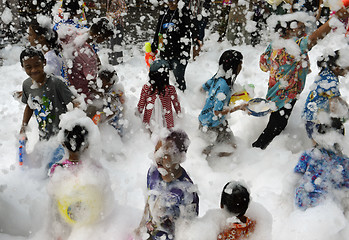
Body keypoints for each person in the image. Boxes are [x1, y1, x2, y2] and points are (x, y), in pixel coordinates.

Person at [252, 7, 349, 150]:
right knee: (275, 126)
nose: (303, 30)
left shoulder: (275, 44)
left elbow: (263, 65)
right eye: (300, 27)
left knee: (277, 123)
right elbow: (314, 38)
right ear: (288, 29)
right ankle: (257, 149)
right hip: (285, 96)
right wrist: (333, 21)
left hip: (275, 92)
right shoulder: (292, 46)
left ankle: (267, 147)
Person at [135, 130, 199, 240]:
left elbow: (188, 229)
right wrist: (141, 227)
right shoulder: (153, 172)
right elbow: (149, 200)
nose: (158, 157)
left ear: (179, 157)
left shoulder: (186, 190)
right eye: (156, 150)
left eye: (165, 154)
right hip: (150, 232)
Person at [19, 47, 77, 141]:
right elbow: (29, 106)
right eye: (28, 67)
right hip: (43, 136)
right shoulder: (26, 85)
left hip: (62, 136)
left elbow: (75, 102)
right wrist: (24, 126)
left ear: (44, 62)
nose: (33, 70)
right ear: (23, 67)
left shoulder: (56, 83)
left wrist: (74, 125)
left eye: (37, 65)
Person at [198, 50, 245, 157]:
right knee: (208, 152)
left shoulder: (217, 76)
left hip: (208, 120)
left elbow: (202, 89)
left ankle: (219, 163)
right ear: (234, 66)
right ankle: (214, 168)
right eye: (240, 64)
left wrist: (209, 102)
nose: (241, 67)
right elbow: (217, 111)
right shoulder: (224, 87)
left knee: (231, 147)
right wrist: (239, 107)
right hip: (211, 126)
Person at [294, 123, 349, 210]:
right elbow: (346, 185)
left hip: (304, 201)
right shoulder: (344, 162)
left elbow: (296, 175)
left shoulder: (308, 154)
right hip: (329, 204)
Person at [150, 0, 201, 91]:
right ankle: (167, 97)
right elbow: (158, 29)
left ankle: (182, 98)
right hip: (165, 51)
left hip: (180, 53)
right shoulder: (164, 11)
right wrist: (154, 46)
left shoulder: (184, 12)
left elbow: (193, 27)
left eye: (173, 0)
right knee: (164, 77)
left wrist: (196, 41)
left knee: (179, 79)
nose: (171, 3)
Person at [302, 49, 349, 144]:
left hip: (310, 119)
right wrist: (338, 122)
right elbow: (334, 107)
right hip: (318, 122)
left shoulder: (326, 73)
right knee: (330, 143)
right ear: (337, 68)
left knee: (319, 148)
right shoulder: (331, 81)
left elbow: (334, 97)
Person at [137, 60, 181, 133]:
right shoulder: (170, 89)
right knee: (166, 136)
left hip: (150, 122)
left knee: (152, 137)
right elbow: (176, 105)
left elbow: (141, 105)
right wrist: (179, 114)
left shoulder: (147, 88)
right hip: (167, 122)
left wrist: (138, 113)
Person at [87, 68, 125, 136]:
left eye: (102, 82)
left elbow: (114, 112)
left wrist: (103, 120)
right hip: (109, 112)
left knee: (116, 134)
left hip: (115, 121)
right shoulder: (105, 88)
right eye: (99, 80)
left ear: (110, 83)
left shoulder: (112, 93)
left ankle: (119, 138)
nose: (100, 83)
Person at [28, 19, 68, 83]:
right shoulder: (49, 54)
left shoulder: (50, 59)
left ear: (41, 38)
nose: (28, 38)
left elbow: (50, 85)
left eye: (30, 35)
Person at [105, 0, 127, 65]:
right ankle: (111, 61)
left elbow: (124, 10)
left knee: (117, 43)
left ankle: (117, 62)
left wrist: (114, 15)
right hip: (110, 24)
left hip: (118, 24)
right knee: (110, 43)